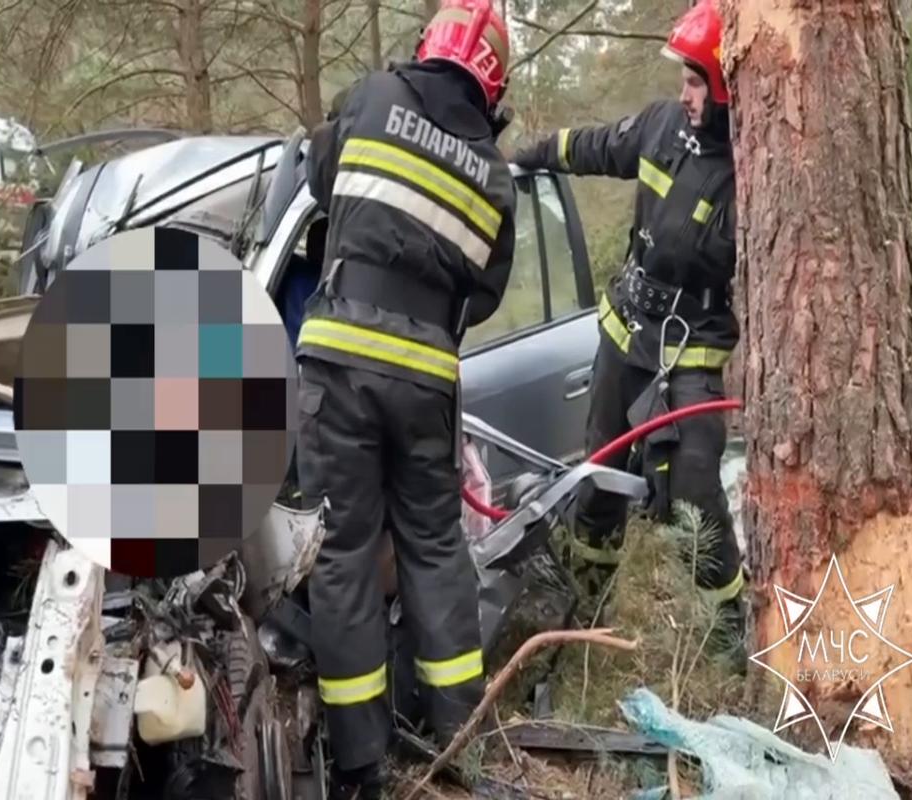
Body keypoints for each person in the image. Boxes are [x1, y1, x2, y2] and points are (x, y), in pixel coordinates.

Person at [293, 0, 518, 796]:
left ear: (429, 46)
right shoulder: (495, 174)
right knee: (434, 546)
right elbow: (485, 293)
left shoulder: (372, 97)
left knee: (344, 550)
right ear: (493, 82)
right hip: (425, 377)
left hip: (341, 363)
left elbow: (319, 178)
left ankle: (360, 760)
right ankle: (459, 736)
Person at [510, 0, 746, 650]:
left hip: (691, 353)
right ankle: (587, 616)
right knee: (599, 477)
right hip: (626, 335)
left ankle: (728, 637)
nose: (685, 94)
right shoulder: (660, 126)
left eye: (696, 82)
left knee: (693, 492)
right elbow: (595, 146)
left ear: (726, 88)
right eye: (684, 81)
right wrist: (530, 157)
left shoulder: (751, 168)